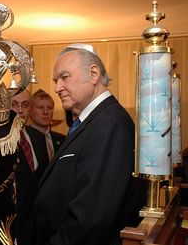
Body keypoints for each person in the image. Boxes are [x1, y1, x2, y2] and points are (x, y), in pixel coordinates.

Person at [34, 44, 145, 245]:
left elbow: (91, 218)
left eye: (64, 77)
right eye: (55, 80)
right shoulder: (93, 120)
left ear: (93, 74)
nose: (57, 88)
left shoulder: (108, 123)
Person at [11, 89, 65, 245]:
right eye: (14, 105)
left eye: (25, 105)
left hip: (42, 221)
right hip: (15, 222)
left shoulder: (39, 137)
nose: (20, 110)